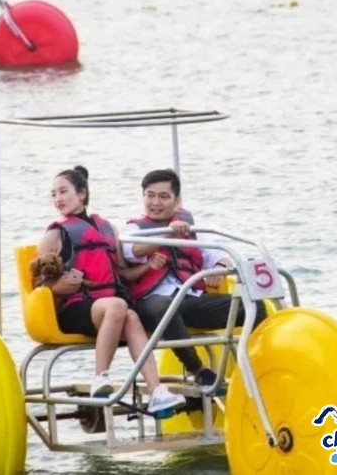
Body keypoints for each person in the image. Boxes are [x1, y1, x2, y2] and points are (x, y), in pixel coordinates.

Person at [36, 165, 185, 414]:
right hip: (75, 308)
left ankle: (157, 392)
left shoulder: (107, 228)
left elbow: (123, 274)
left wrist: (147, 266)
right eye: (54, 194)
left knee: (130, 316)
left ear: (82, 193)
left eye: (63, 192)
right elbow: (40, 282)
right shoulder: (55, 233)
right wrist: (58, 286)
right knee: (118, 306)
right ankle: (100, 377)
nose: (57, 198)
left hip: (107, 307)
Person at [122, 169, 266, 390]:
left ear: (176, 200)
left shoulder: (192, 229)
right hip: (151, 302)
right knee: (165, 308)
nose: (155, 202)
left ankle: (255, 366)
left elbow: (219, 255)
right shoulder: (133, 229)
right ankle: (198, 370)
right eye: (150, 195)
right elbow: (133, 251)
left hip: (189, 298)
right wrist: (169, 234)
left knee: (254, 307)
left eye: (163, 196)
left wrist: (218, 268)